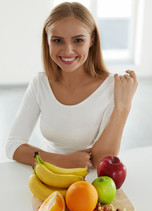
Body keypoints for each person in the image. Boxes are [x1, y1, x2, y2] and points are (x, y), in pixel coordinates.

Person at [5, 2, 138, 169]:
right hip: (48, 173)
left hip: (88, 179)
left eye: (78, 40)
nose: (68, 50)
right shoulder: (40, 83)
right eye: (58, 40)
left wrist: (123, 108)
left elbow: (100, 161)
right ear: (47, 41)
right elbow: (13, 146)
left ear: (92, 40)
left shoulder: (112, 87)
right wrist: (60, 161)